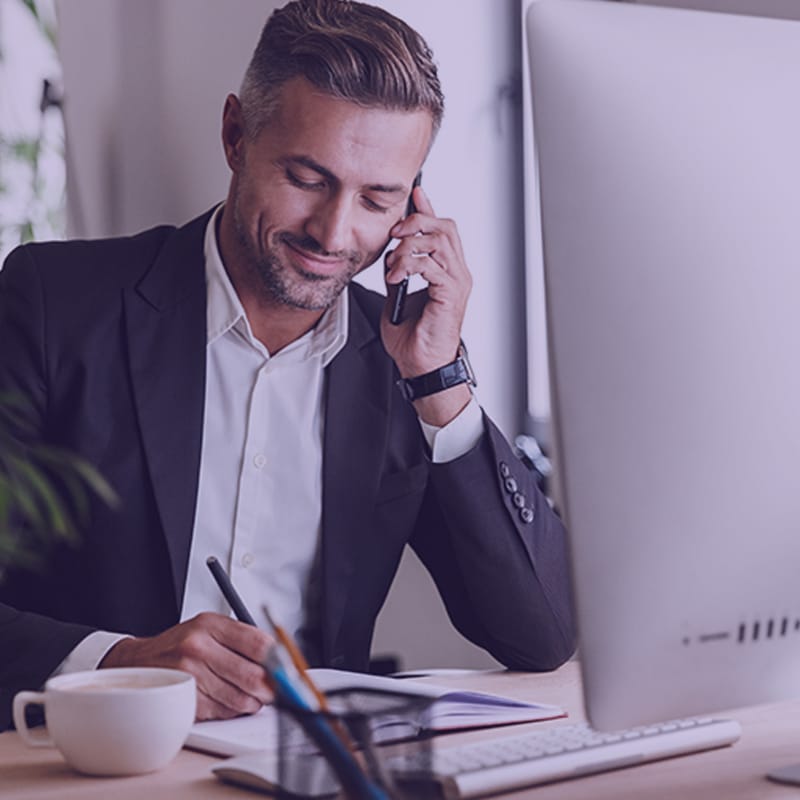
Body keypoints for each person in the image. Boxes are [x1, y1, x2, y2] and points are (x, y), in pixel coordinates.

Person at [0, 0, 574, 730]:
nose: (336, 233)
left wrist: (440, 386)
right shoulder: (56, 304)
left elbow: (541, 634)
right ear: (236, 134)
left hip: (308, 770)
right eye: (307, 178)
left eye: (377, 198)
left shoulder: (399, 359)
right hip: (92, 765)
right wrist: (122, 663)